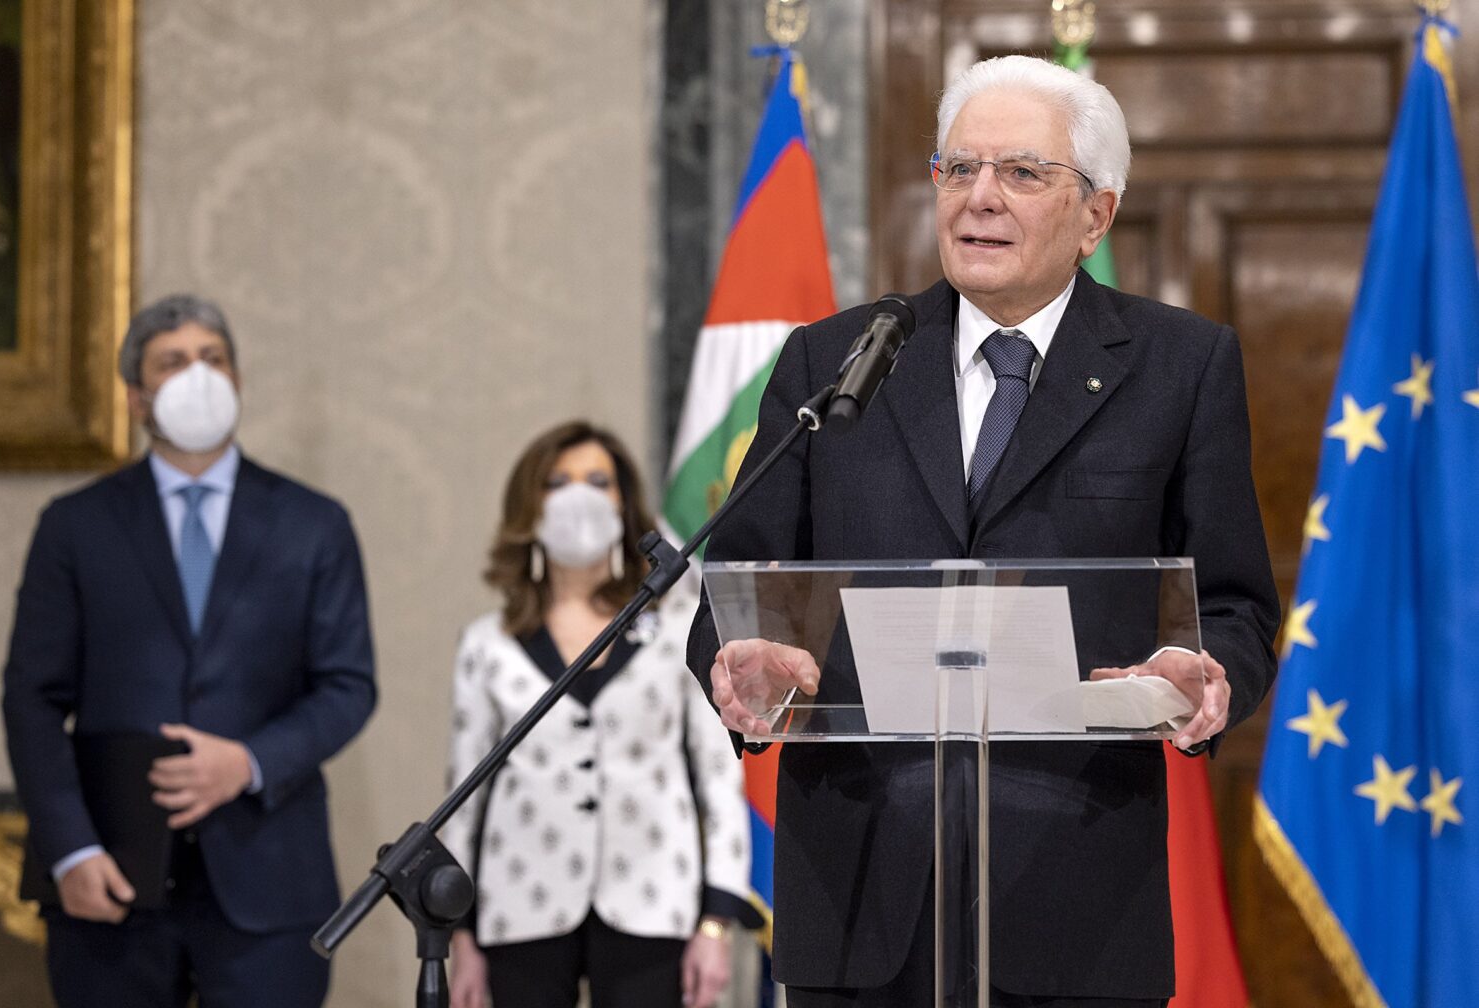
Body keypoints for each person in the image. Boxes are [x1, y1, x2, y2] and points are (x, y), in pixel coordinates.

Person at [687, 55, 1280, 1007]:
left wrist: (1205, 675)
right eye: (957, 169)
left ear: (1098, 213)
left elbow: (1238, 607)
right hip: (859, 890)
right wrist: (740, 658)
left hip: (1077, 894)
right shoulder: (834, 360)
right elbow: (739, 583)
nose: (981, 197)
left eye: (1021, 172)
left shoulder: (1182, 367)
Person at [1, 294, 378, 1007]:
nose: (197, 376)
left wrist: (250, 761)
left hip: (269, 886)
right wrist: (70, 849)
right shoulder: (74, 526)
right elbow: (32, 697)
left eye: (213, 359)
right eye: (172, 363)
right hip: (111, 878)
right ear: (137, 397)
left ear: (236, 382)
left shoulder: (314, 524)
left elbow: (348, 686)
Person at [441, 421, 761, 1008]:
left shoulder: (677, 628)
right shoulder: (488, 645)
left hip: (654, 903)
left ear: (623, 502)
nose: (578, 496)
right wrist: (456, 933)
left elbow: (718, 778)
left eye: (597, 481)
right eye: (557, 482)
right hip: (520, 904)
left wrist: (716, 920)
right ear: (528, 507)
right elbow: (464, 797)